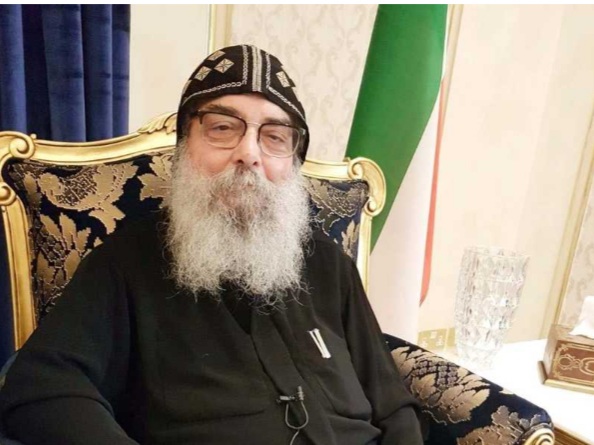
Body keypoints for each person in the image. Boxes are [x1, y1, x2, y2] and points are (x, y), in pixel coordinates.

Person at [0, 44, 424, 445]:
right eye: (223, 128)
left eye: (275, 137)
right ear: (185, 145)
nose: (249, 153)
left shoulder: (328, 263)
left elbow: (392, 404)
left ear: (292, 161)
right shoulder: (127, 261)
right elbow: (41, 387)